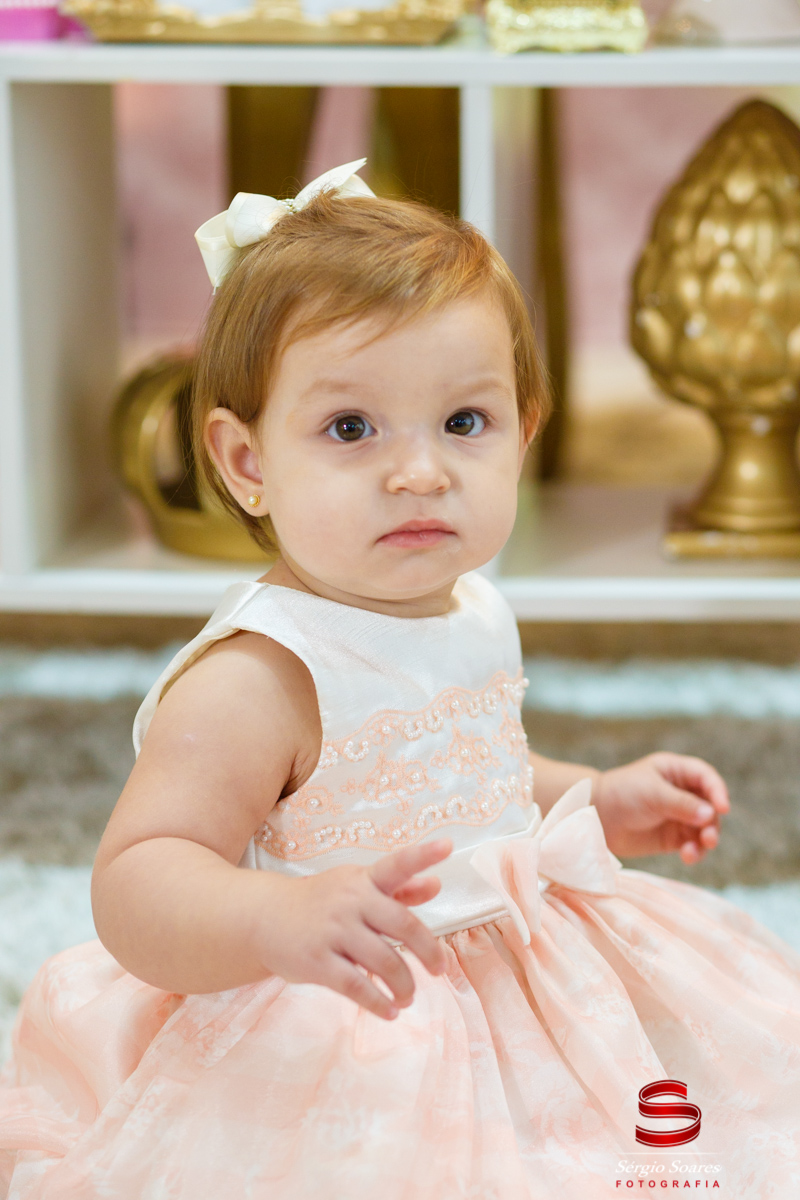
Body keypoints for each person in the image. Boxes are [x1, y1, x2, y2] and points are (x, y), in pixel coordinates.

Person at [1, 160, 799, 1200]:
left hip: (515, 963)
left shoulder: (472, 605)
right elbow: (137, 877)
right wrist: (272, 919)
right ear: (246, 463)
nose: (419, 473)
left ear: (525, 431)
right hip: (351, 1003)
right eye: (350, 428)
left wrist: (594, 798)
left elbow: (463, 776)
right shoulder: (260, 675)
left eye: (464, 424)